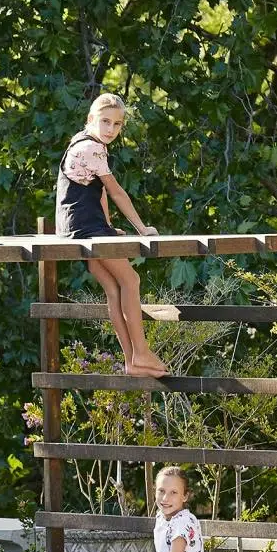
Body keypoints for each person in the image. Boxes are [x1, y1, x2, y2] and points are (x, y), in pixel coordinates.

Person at [56, 92, 167, 376]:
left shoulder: (81, 141)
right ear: (91, 119)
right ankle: (141, 352)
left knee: (114, 287)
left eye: (117, 124)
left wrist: (108, 227)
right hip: (86, 229)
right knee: (131, 279)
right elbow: (115, 190)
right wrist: (142, 229)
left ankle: (132, 362)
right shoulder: (91, 148)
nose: (111, 129)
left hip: (79, 227)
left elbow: (99, 192)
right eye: (105, 121)